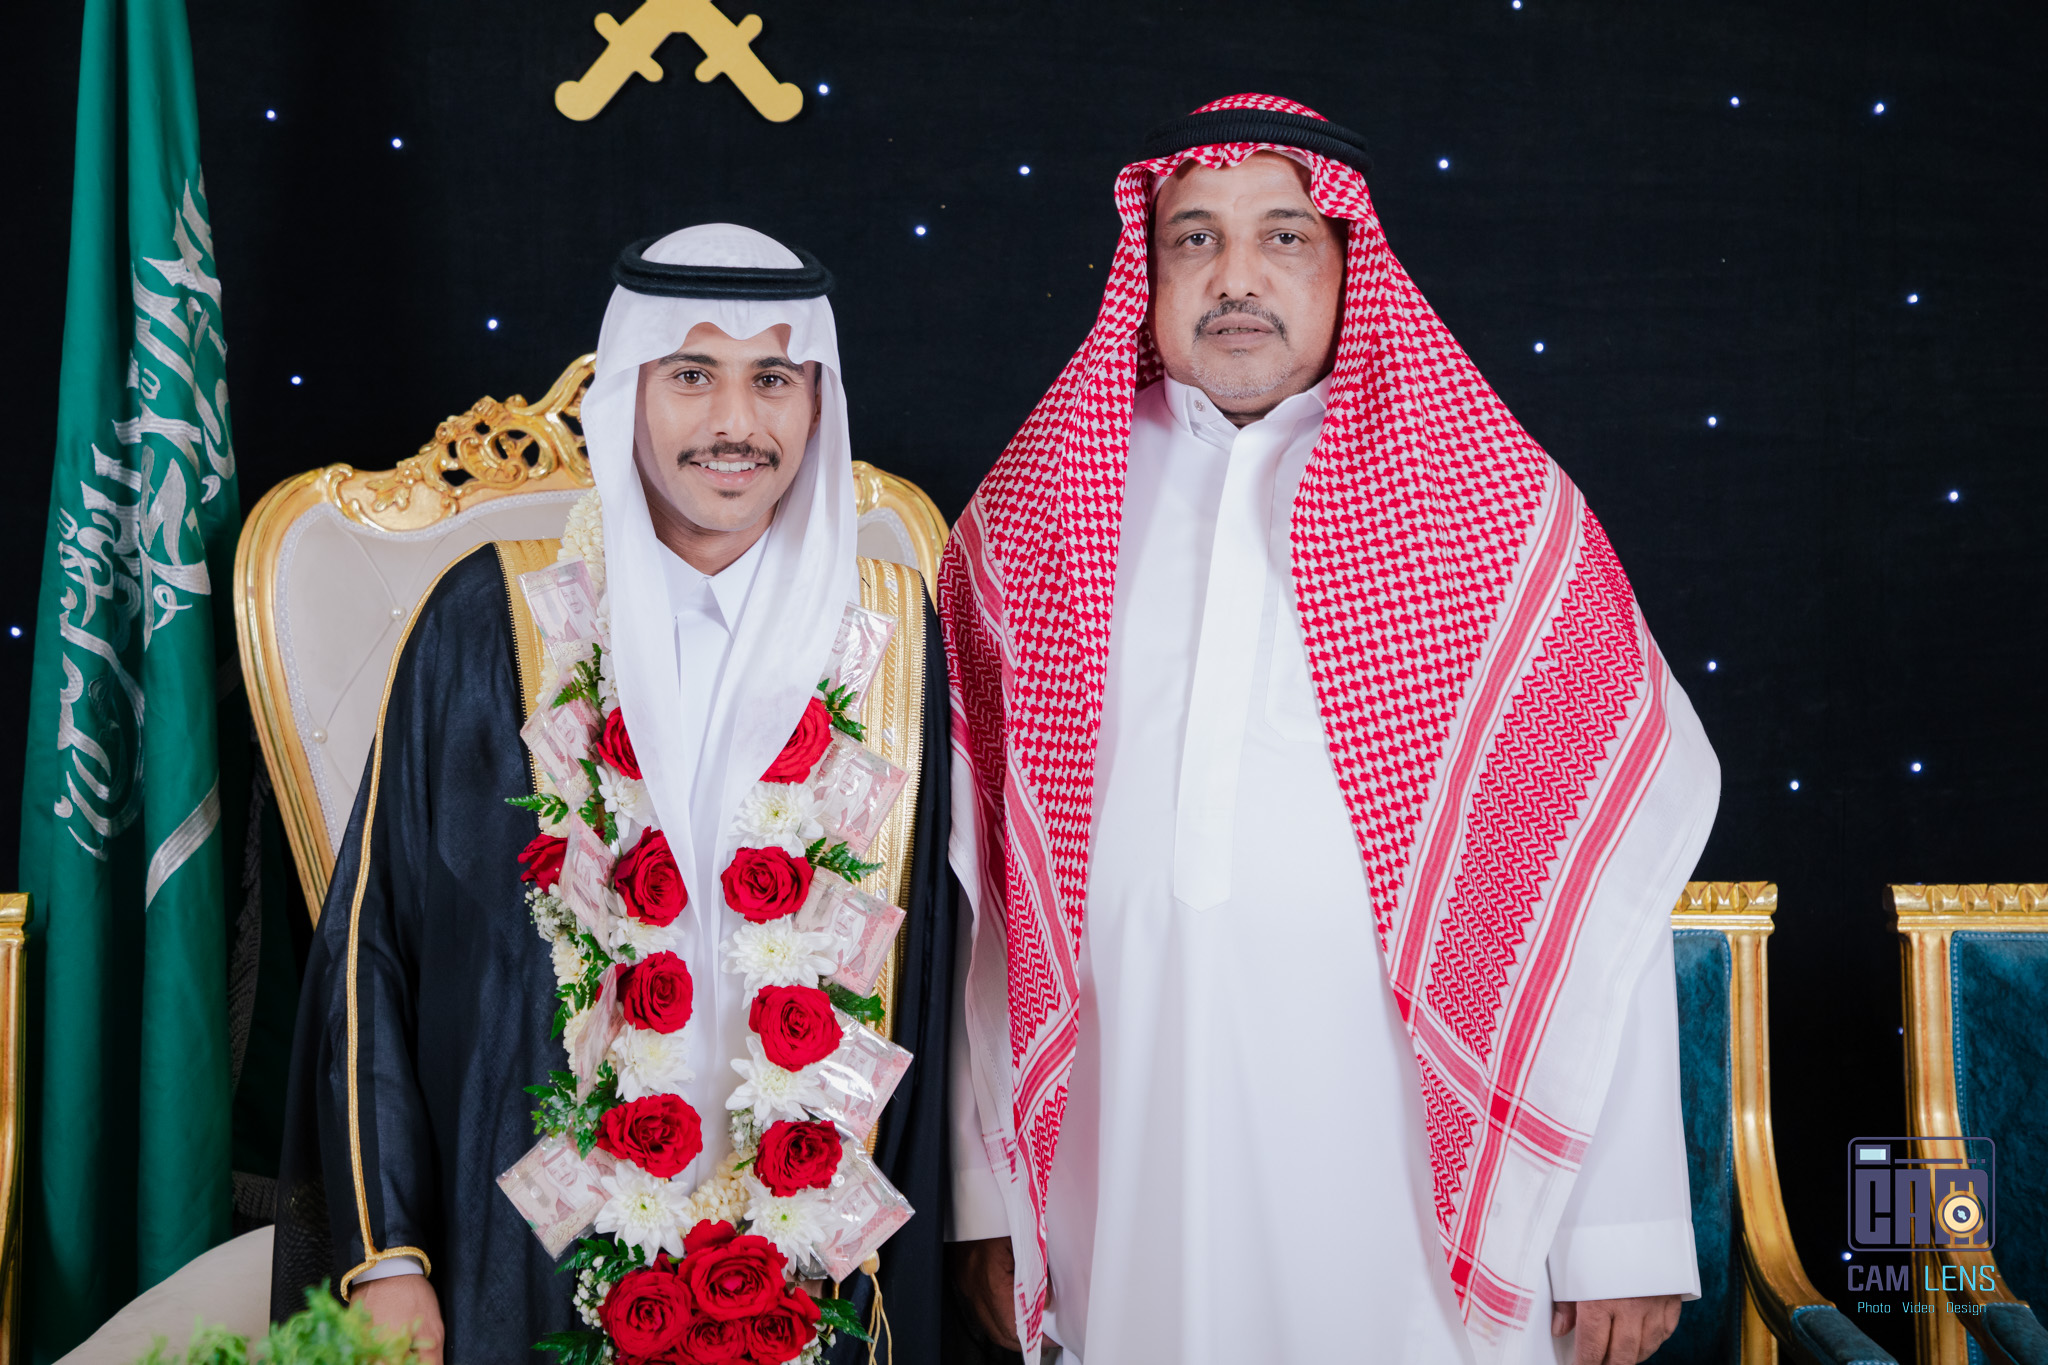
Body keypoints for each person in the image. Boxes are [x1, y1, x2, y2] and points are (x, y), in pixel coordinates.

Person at [939, 96, 1718, 1365]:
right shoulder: (1035, 517)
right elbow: (984, 904)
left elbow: (1592, 891)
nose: (1234, 277)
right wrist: (986, 1202)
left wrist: (1620, 1231)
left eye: (1283, 237)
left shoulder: (1496, 513)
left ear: (1352, 264)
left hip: (1397, 1157)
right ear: (1147, 272)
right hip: (1121, 1151)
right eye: (1194, 239)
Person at [271, 225, 955, 1363]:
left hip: (814, 1269)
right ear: (626, 392)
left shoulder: (891, 643)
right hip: (528, 1268)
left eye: (772, 379)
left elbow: (950, 982)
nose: (734, 422)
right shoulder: (491, 623)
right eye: (691, 375)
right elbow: (372, 949)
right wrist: (386, 1253)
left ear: (815, 405)